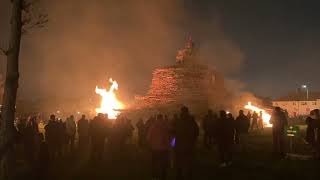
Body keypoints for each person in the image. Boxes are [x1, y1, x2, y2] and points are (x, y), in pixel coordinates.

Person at [172, 106, 199, 180]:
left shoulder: (178, 121)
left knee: (179, 162)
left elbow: (173, 133)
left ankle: (180, 176)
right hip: (188, 145)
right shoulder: (191, 121)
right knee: (188, 162)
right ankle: (188, 175)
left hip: (180, 145)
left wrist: (173, 144)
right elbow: (196, 132)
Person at [147, 114, 171, 180]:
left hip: (155, 148)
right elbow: (170, 137)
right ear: (162, 118)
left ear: (157, 118)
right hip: (164, 148)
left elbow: (148, 138)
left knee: (155, 162)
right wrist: (171, 145)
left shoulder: (153, 126)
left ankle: (154, 176)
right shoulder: (166, 126)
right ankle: (163, 176)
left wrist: (150, 145)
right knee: (164, 163)